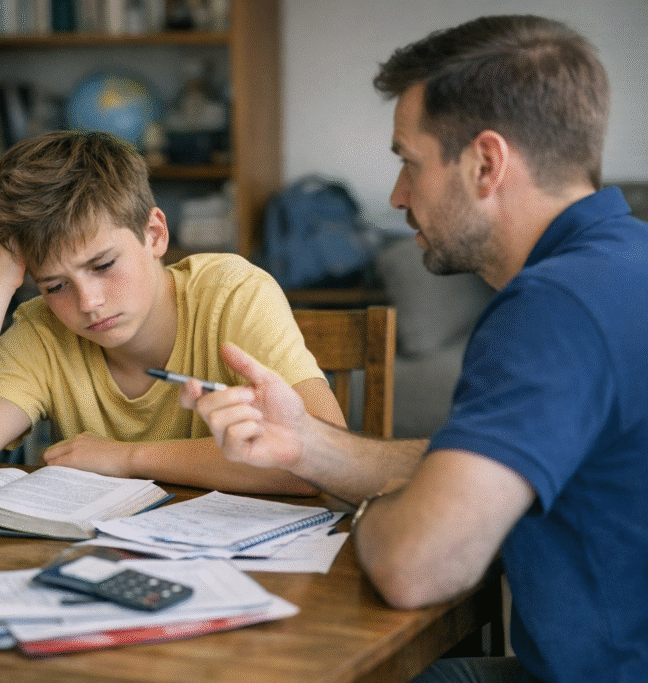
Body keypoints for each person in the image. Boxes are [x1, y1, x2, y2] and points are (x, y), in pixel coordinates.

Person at [183, 15, 648, 683]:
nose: (398, 196)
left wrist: (381, 513)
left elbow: (416, 565)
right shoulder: (625, 262)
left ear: (486, 163)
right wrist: (305, 444)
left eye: (408, 161)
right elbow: (464, 466)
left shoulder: (554, 306)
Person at [0, 130, 345, 492]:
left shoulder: (232, 293)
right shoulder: (42, 329)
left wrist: (129, 458)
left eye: (103, 265)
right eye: (55, 285)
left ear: (154, 234)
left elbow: (322, 456)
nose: (88, 303)